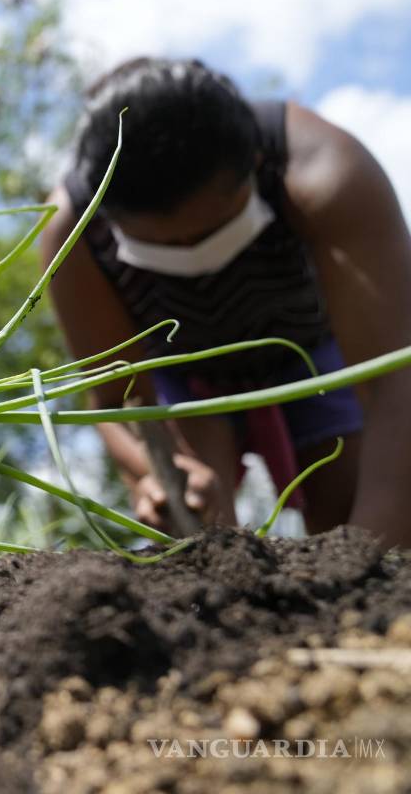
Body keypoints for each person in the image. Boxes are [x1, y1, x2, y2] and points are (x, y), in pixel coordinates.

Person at [41, 57, 411, 547]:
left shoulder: (327, 169)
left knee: (355, 498)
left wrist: (373, 564)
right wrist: (156, 472)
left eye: (210, 233)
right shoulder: (75, 235)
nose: (192, 258)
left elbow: (396, 378)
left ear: (254, 166)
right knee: (198, 530)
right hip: (186, 377)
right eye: (163, 248)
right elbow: (112, 398)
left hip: (315, 353)